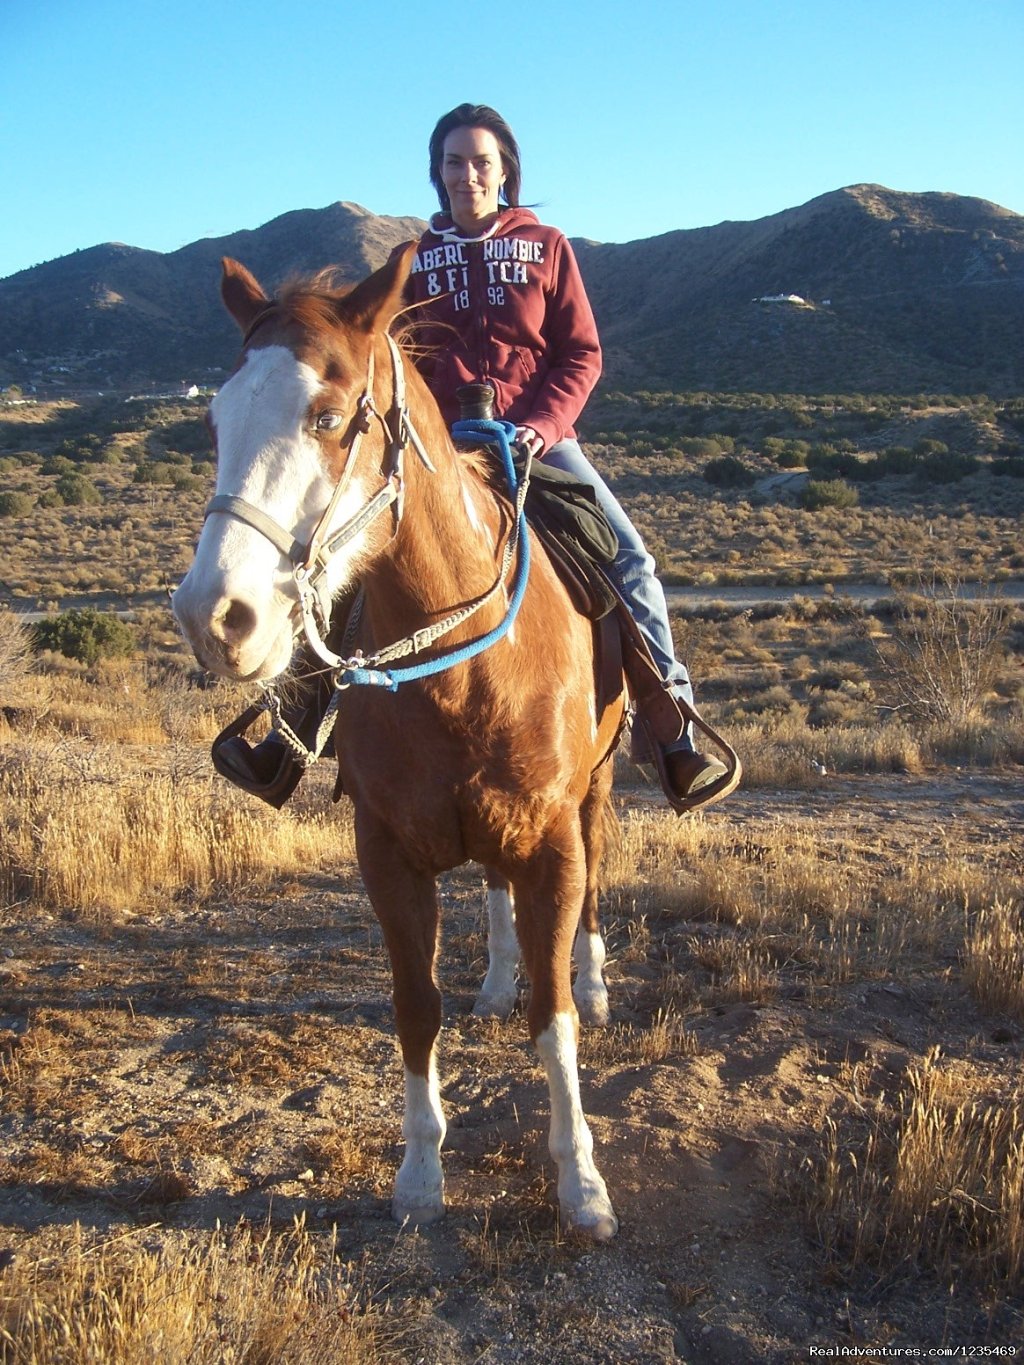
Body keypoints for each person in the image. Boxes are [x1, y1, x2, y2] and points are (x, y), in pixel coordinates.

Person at [215, 103, 734, 810]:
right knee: (352, 560)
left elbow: (581, 355)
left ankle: (675, 729)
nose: (468, 174)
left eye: (481, 161)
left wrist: (540, 427)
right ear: (438, 175)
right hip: (441, 450)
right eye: (453, 162)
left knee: (627, 556)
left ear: (505, 171)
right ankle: (292, 732)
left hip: (539, 443)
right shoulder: (415, 260)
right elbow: (392, 364)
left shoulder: (547, 247)